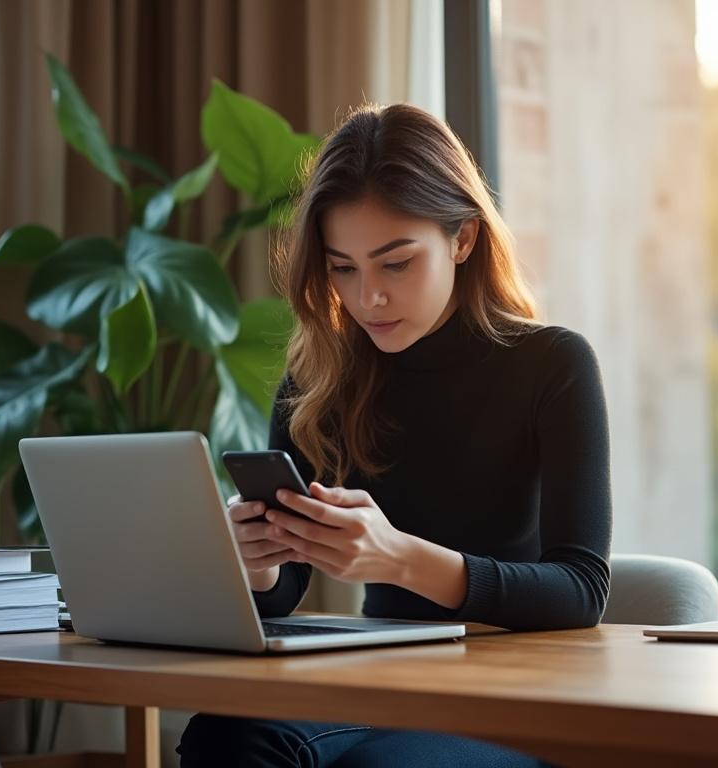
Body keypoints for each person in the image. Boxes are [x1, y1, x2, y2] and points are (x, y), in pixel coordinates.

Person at [177, 103, 611, 768]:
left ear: (462, 239)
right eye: (343, 268)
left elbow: (580, 590)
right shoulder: (319, 371)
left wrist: (397, 558)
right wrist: (259, 564)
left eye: (395, 264)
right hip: (373, 681)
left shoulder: (551, 365)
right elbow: (285, 594)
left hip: (513, 697)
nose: (367, 297)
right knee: (225, 735)